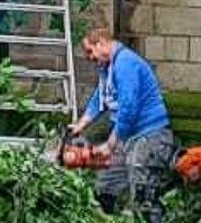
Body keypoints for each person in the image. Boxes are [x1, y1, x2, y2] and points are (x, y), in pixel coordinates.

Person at [67, 28, 176, 221]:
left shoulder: (125, 63)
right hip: (129, 137)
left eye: (90, 52)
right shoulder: (108, 69)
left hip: (150, 136)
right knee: (105, 184)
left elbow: (128, 108)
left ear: (101, 43)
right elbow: (100, 98)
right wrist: (80, 125)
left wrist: (110, 144)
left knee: (143, 196)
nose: (90, 58)